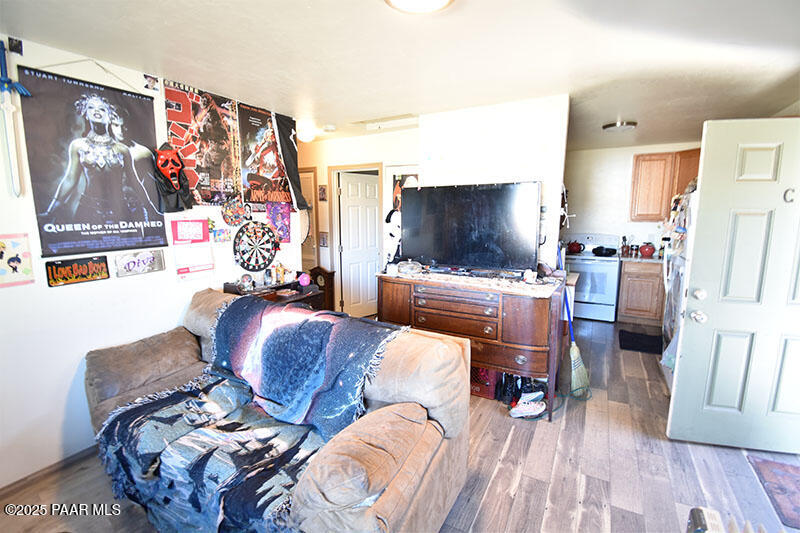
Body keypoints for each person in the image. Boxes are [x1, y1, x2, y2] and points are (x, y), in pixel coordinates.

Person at [41, 94, 155, 224]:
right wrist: (50, 212)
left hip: (119, 209)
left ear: (109, 115)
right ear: (85, 112)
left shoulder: (122, 149)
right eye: (91, 107)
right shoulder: (78, 145)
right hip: (88, 209)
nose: (96, 111)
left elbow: (134, 181)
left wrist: (151, 210)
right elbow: (70, 180)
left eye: (101, 109)